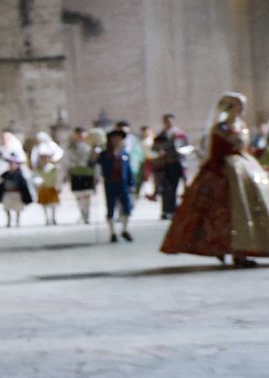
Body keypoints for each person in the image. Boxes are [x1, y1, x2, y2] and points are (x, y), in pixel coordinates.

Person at [161, 93, 269, 266]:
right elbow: (216, 152)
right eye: (239, 105)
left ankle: (243, 249)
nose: (243, 108)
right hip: (227, 171)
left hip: (245, 167)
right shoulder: (221, 128)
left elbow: (245, 148)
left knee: (249, 208)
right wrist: (216, 171)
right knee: (227, 212)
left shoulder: (241, 125)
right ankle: (229, 249)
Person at [99, 127, 138, 242]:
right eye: (114, 138)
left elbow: (128, 170)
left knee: (126, 206)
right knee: (111, 207)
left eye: (119, 138)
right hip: (110, 183)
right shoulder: (105, 154)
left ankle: (124, 229)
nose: (116, 140)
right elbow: (97, 166)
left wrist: (132, 183)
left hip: (123, 183)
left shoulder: (124, 153)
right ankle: (112, 232)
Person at [150, 115, 189, 219]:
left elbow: (185, 147)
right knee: (165, 187)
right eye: (166, 121)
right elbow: (154, 148)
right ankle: (166, 210)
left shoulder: (179, 134)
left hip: (176, 163)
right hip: (164, 164)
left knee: (174, 187)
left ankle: (172, 209)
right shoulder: (160, 135)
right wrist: (159, 151)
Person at [0, 144, 34, 226]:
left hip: (17, 194)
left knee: (18, 207)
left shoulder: (20, 175)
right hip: (8, 193)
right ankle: (9, 220)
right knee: (7, 207)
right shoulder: (6, 174)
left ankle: (17, 219)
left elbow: (24, 184)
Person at [66, 127, 100, 225]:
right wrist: (67, 174)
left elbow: (95, 162)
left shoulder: (91, 147)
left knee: (87, 194)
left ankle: (87, 214)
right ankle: (82, 213)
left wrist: (97, 175)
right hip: (76, 173)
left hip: (87, 173)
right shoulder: (71, 147)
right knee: (78, 195)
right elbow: (67, 161)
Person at [31, 132, 65, 226]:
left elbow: (59, 155)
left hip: (51, 185)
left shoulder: (51, 147)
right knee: (44, 203)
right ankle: (47, 218)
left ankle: (53, 217)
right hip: (43, 185)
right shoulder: (36, 150)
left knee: (53, 203)